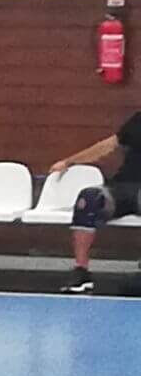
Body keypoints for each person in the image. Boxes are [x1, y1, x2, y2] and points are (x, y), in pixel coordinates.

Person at [52, 112, 141, 293]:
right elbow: (107, 146)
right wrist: (69, 162)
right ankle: (81, 272)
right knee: (89, 198)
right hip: (122, 186)